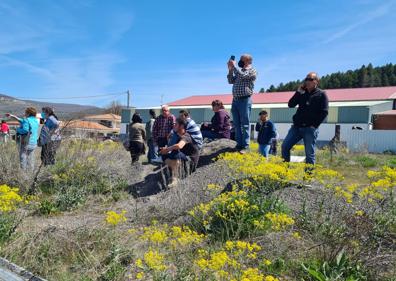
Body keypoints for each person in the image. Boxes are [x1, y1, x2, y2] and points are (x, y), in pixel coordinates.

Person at [281, 72, 329, 165]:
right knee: (285, 146)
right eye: (306, 79)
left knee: (309, 154)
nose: (307, 81)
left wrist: (314, 126)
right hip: (296, 127)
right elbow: (290, 104)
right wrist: (298, 92)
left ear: (316, 81)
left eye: (310, 79)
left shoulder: (322, 94)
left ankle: (308, 178)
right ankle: (284, 173)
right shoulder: (302, 93)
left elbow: (324, 112)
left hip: (310, 129)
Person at [227, 54, 257, 153]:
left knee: (245, 123)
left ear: (248, 60)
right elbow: (230, 80)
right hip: (235, 100)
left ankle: (246, 145)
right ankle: (239, 144)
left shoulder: (252, 71)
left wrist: (235, 67)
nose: (240, 61)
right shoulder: (239, 71)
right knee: (236, 123)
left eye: (241, 59)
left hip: (245, 100)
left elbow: (243, 76)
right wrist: (230, 69)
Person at [160, 118, 199, 187]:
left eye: (176, 124)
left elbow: (179, 146)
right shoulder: (177, 136)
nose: (174, 125)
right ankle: (174, 165)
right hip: (184, 159)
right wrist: (165, 150)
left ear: (181, 126)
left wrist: (167, 149)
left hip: (190, 163)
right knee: (164, 155)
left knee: (174, 153)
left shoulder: (187, 136)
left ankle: (175, 178)